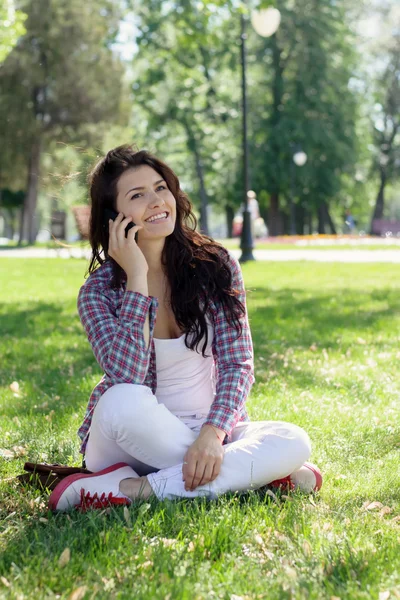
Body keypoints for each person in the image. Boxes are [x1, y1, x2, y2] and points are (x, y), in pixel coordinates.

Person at [49, 145, 322, 512]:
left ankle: (133, 491)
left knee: (293, 439)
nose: (157, 200)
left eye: (161, 187)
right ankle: (257, 477)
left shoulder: (216, 266)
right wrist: (137, 278)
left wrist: (212, 435)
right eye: (137, 195)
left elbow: (237, 364)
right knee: (119, 400)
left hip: (210, 433)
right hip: (129, 440)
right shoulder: (97, 294)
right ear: (114, 216)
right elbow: (125, 374)